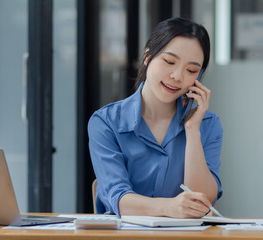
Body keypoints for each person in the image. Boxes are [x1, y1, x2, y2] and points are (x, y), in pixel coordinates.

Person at [88, 17, 223, 218]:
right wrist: (169, 208)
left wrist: (192, 131)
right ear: (147, 56)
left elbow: (202, 202)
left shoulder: (207, 124)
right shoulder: (106, 122)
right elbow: (119, 199)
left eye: (191, 70)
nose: (177, 76)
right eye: (169, 62)